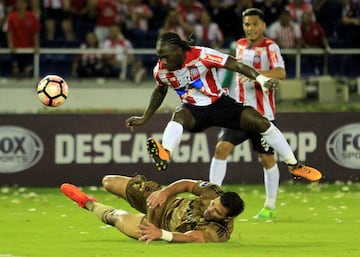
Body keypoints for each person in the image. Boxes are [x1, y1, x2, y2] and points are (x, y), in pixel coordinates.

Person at [125, 31, 322, 183]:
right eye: (160, 56)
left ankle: (294, 165)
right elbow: (159, 92)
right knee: (179, 115)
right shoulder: (160, 71)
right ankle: (165, 152)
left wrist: (260, 78)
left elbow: (235, 64)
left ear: (179, 51)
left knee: (262, 123)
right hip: (193, 111)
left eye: (166, 56)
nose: (163, 61)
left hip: (220, 104)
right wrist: (144, 118)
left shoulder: (202, 55)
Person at [209, 8, 286, 219]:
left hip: (262, 116)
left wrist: (254, 75)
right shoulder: (240, 45)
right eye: (246, 24)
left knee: (267, 159)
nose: (250, 28)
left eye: (254, 24)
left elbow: (280, 73)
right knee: (221, 149)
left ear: (262, 26)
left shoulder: (271, 47)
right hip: (239, 112)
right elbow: (231, 71)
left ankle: (269, 207)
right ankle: (211, 196)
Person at [60, 174, 245, 243]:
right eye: (213, 205)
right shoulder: (213, 192)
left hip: (155, 225)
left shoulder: (219, 232)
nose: (210, 210)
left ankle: (87, 203)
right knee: (108, 181)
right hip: (160, 201)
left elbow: (190, 238)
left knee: (116, 218)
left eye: (217, 213)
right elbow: (188, 185)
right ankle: (138, 195)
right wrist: (164, 192)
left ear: (227, 218)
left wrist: (160, 233)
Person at [5, 0, 40, 77]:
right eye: (18, 4)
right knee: (15, 70)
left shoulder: (32, 16)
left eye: (21, 3)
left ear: (26, 5)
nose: (20, 5)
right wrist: (11, 45)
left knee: (27, 71)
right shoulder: (11, 16)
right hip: (16, 49)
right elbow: (9, 32)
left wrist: (36, 45)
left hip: (29, 49)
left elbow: (35, 32)